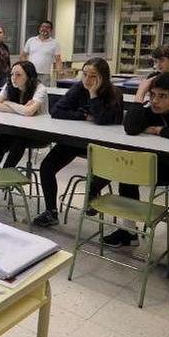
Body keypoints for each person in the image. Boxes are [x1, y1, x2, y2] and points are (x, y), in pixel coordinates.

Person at [99, 72, 169, 247]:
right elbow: (131, 127)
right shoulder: (150, 106)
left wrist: (159, 130)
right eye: (153, 95)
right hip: (157, 165)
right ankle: (129, 233)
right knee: (128, 172)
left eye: (163, 96)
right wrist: (140, 95)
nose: (155, 101)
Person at [32, 57, 124, 228]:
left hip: (105, 146)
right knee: (47, 167)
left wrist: (93, 95)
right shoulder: (78, 88)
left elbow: (102, 119)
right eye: (85, 75)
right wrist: (83, 115)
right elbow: (56, 111)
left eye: (93, 76)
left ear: (103, 77)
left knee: (104, 173)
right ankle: (51, 212)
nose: (87, 80)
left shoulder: (114, 93)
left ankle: (92, 192)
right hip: (77, 141)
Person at [0, 61, 49, 169]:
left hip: (40, 132)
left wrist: (8, 103)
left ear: (29, 77)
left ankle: (6, 173)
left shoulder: (40, 89)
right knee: (1, 137)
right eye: (12, 74)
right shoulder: (10, 85)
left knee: (20, 139)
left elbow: (29, 112)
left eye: (18, 75)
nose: (14, 78)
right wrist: (22, 109)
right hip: (17, 128)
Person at [20, 20, 62, 86]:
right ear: (39, 28)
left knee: (42, 93)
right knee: (30, 91)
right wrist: (25, 68)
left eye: (47, 27)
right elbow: (23, 55)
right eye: (43, 27)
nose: (44, 29)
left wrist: (60, 72)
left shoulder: (55, 43)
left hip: (45, 74)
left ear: (51, 30)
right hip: (31, 73)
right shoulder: (31, 40)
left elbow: (58, 60)